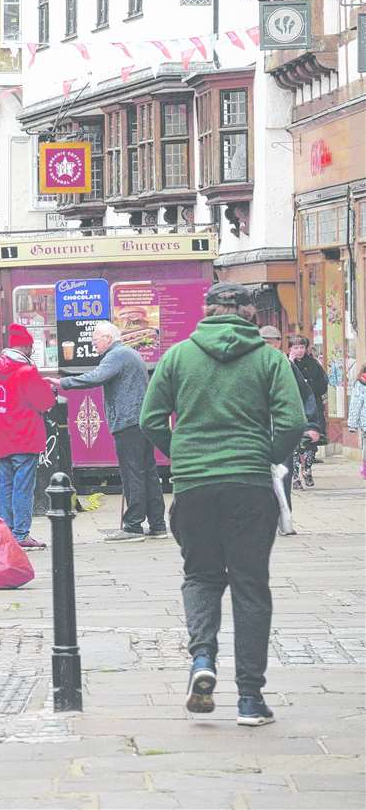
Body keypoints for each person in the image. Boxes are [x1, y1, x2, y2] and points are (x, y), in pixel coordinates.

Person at [139, 282, 305, 726]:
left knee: (200, 575)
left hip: (194, 486)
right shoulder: (270, 359)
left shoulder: (177, 357)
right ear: (250, 315)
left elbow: (149, 418)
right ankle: (250, 699)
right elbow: (292, 421)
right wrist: (264, 454)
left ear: (207, 312)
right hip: (249, 485)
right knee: (251, 585)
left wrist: (182, 454)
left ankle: (202, 661)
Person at [51, 320, 162, 539]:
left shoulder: (116, 355)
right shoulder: (130, 354)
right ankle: (158, 525)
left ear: (108, 338)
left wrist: (62, 383)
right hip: (140, 421)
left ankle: (133, 526)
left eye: (95, 340)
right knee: (148, 473)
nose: (93, 344)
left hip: (128, 422)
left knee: (133, 475)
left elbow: (95, 377)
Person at [0, 325, 55, 549]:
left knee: (6, 486)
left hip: (2, 437)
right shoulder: (26, 371)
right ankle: (21, 533)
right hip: (25, 436)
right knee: (23, 487)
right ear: (25, 347)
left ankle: (6, 532)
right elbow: (45, 402)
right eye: (31, 347)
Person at [286, 336, 327, 490]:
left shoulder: (314, 364)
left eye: (302, 347)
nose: (299, 350)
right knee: (295, 442)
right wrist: (290, 363)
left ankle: (307, 469)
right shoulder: (285, 363)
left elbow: (323, 384)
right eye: (295, 347)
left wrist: (308, 387)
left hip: (312, 407)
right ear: (290, 349)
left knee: (312, 440)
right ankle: (295, 475)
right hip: (293, 408)